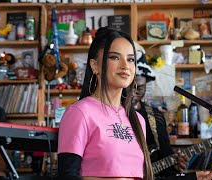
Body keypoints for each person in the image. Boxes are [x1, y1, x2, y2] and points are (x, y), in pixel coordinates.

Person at [57, 27, 153, 180]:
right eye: (115, 57)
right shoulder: (80, 113)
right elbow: (67, 175)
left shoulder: (138, 120)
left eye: (130, 59)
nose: (125, 65)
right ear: (95, 66)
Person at [132, 46, 212, 180]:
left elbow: (166, 161)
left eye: (139, 87)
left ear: (146, 84)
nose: (133, 91)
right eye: (128, 86)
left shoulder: (154, 116)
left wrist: (175, 165)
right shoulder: (111, 115)